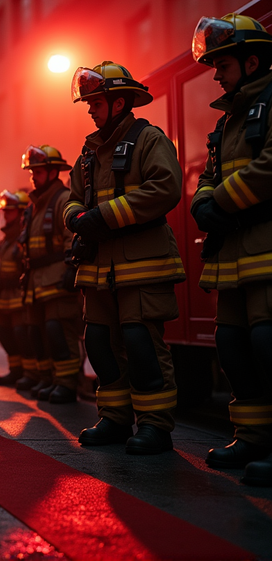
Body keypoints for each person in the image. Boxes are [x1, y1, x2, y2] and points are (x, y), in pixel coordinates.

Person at [66, 61, 184, 454]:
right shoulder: (88, 151)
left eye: (95, 102)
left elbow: (165, 188)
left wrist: (104, 216)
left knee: (140, 342)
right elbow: (72, 201)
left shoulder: (149, 139)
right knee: (98, 342)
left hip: (141, 262)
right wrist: (79, 219)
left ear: (118, 103)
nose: (89, 109)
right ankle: (115, 418)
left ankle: (154, 426)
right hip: (99, 267)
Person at [191, 14, 272, 484]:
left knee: (268, 343)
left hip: (265, 249)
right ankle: (253, 438)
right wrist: (204, 203)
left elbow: (269, 166)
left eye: (222, 64)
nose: (216, 74)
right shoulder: (228, 120)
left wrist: (217, 202)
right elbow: (207, 173)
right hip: (234, 257)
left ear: (253, 60)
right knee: (233, 345)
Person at [19, 145, 83, 404]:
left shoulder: (62, 198)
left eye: (39, 171)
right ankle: (48, 379)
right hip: (37, 281)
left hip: (57, 277)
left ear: (54, 171)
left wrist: (71, 268)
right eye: (31, 171)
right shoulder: (36, 204)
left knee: (58, 330)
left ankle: (66, 383)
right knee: (38, 332)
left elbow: (73, 236)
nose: (33, 175)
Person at [0, 190, 29, 389]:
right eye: (5, 212)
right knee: (4, 334)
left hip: (18, 295)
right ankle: (15, 370)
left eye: (10, 212)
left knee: (22, 335)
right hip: (3, 296)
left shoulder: (22, 238)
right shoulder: (6, 239)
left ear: (22, 213)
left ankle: (29, 373)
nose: (6, 215)